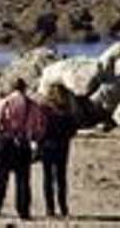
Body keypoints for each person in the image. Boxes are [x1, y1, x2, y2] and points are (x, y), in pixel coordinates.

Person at [0, 78, 38, 220]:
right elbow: (34, 129)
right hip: (23, 144)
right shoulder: (32, 105)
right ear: (24, 88)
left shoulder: (5, 102)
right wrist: (33, 145)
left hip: (5, 142)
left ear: (12, 88)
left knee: (1, 177)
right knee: (23, 180)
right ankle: (23, 211)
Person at [36, 84, 78, 219]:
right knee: (61, 178)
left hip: (46, 146)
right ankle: (63, 207)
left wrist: (39, 140)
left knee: (47, 178)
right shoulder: (67, 110)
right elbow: (73, 131)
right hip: (62, 147)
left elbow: (39, 128)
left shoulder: (44, 109)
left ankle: (50, 208)